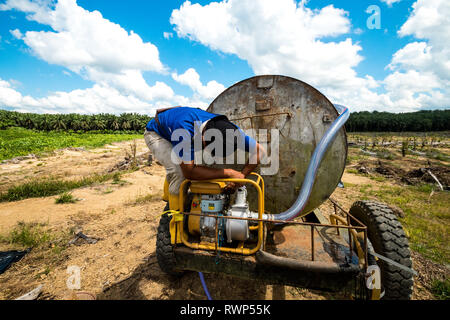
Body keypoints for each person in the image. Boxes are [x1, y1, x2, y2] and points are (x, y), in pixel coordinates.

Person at [144, 106, 265, 211]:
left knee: (184, 163)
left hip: (176, 126)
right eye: (211, 151)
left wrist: (241, 176)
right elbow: (189, 172)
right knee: (179, 172)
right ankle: (175, 221)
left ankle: (171, 192)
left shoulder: (232, 132)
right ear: (202, 138)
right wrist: (229, 173)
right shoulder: (185, 131)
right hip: (156, 133)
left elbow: (260, 151)